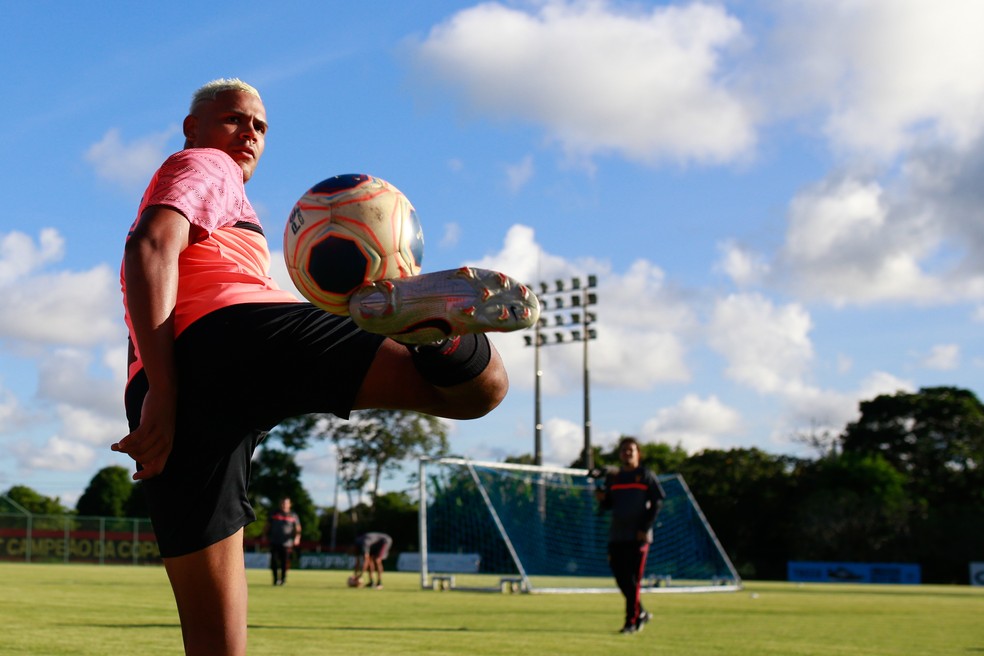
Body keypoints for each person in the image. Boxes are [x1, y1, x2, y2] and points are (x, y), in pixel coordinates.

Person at [112, 77, 538, 656]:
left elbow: (154, 252)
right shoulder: (203, 164)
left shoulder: (212, 186)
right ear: (194, 128)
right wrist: (167, 386)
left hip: (169, 394)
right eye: (234, 119)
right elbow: (149, 247)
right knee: (480, 389)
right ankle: (427, 333)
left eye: (260, 127)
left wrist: (159, 391)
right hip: (226, 337)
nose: (250, 134)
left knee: (214, 643)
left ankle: (420, 325)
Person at [595, 437, 666, 634]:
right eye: (624, 450)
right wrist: (602, 499)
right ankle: (641, 612)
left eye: (631, 450)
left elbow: (658, 502)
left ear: (638, 453)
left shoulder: (645, 475)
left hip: (638, 537)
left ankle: (631, 622)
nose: (627, 453)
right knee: (622, 578)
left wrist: (645, 527)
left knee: (633, 579)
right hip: (617, 535)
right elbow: (608, 504)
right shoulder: (615, 477)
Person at [267, 497, 301, 586]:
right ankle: (275, 579)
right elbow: (267, 525)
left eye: (285, 503)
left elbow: (298, 529)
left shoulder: (293, 515)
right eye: (282, 503)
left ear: (289, 504)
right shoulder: (274, 513)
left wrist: (297, 538)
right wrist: (264, 535)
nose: (283, 505)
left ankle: (283, 579)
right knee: (274, 561)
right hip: (274, 541)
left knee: (284, 562)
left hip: (287, 543)